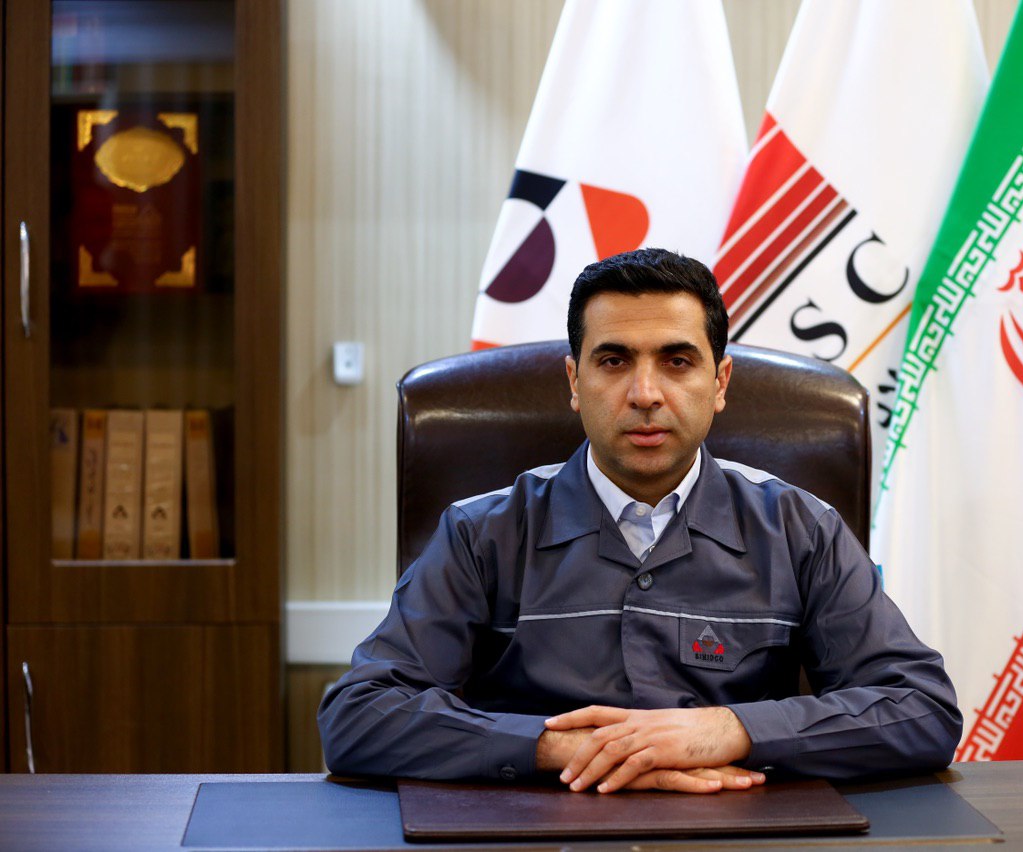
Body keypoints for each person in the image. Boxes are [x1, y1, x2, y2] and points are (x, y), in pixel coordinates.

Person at [318, 248, 961, 794]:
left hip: (742, 833)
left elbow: (922, 708)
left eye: (677, 361)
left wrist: (730, 729)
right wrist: (560, 747)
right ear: (574, 381)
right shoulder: (481, 533)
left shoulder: (799, 528)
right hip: (533, 835)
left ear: (720, 382)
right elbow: (358, 716)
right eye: (614, 361)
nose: (646, 394)